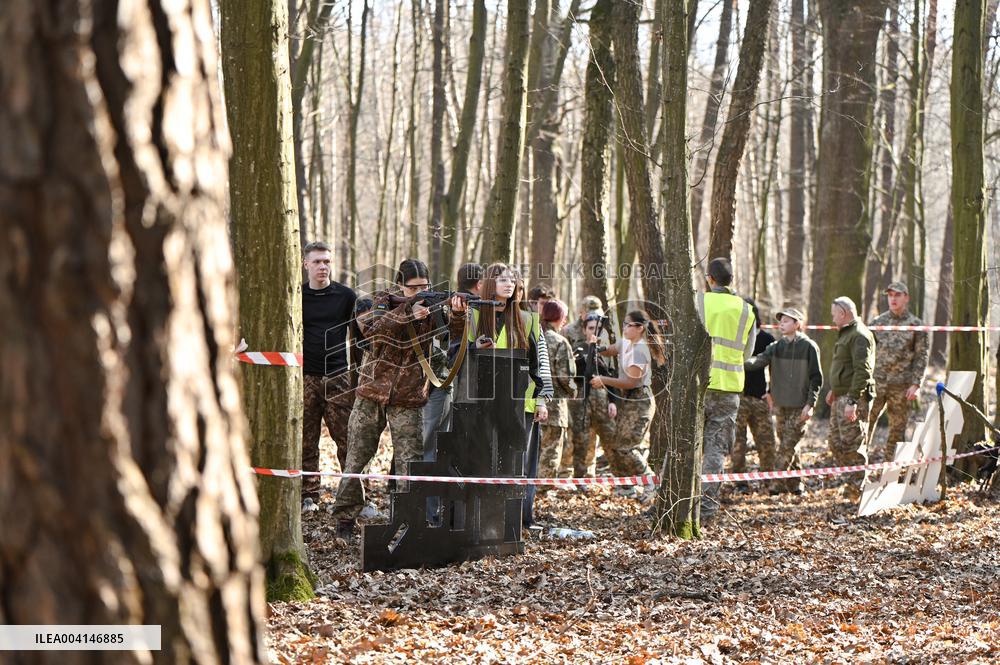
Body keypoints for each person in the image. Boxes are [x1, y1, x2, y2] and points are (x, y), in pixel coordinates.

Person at [333, 259, 437, 540]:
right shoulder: (381, 301)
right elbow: (372, 331)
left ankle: (408, 522)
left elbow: (452, 334)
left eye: (424, 286)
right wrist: (407, 313)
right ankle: (344, 519)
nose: (420, 292)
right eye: (413, 287)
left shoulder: (431, 308)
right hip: (371, 392)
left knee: (409, 462)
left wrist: (458, 315)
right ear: (399, 286)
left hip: (409, 396)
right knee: (357, 457)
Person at [449, 263, 552, 527]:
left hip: (520, 403)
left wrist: (541, 399)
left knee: (517, 462)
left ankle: (516, 521)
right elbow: (453, 356)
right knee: (482, 459)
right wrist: (475, 347)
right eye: (502, 278)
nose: (509, 283)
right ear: (488, 282)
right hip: (480, 402)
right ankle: (482, 520)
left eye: (513, 279)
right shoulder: (473, 316)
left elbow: (539, 364)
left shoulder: (528, 320)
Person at [696, 257, 756, 521]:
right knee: (716, 450)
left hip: (698, 386)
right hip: (729, 387)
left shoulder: (699, 301)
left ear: (710, 279)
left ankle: (676, 502)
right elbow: (748, 352)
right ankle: (707, 508)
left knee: (686, 444)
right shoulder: (746, 310)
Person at [300, 241, 357, 505]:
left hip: (339, 376)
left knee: (347, 439)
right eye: (317, 261)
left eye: (327, 261)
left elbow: (359, 336)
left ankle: (351, 498)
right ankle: (309, 495)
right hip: (306, 377)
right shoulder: (297, 295)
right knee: (306, 439)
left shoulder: (346, 296)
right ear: (306, 264)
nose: (323, 266)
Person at [589, 310, 666, 500]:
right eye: (623, 324)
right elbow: (611, 349)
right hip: (629, 400)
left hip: (640, 400)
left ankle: (649, 480)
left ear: (640, 328)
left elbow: (631, 381)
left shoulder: (640, 350)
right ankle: (626, 486)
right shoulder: (626, 344)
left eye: (628, 325)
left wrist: (603, 380)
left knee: (626, 447)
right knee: (615, 445)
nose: (624, 328)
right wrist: (596, 345)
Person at [745, 307, 823, 493]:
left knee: (787, 446)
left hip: (800, 406)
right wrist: (735, 363)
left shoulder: (809, 347)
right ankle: (796, 485)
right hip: (780, 406)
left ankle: (776, 484)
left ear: (797, 324)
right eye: (781, 321)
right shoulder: (776, 347)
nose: (781, 324)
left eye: (787, 321)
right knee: (789, 446)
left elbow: (816, 378)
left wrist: (810, 404)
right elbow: (758, 361)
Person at [867, 281, 930, 461]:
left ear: (906, 298)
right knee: (865, 425)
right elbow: (866, 354)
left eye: (897, 295)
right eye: (890, 295)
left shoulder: (916, 325)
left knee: (897, 430)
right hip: (876, 383)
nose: (893, 299)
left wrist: (916, 383)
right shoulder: (877, 323)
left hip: (901, 386)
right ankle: (858, 470)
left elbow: (921, 356)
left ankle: (891, 471)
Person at [826, 296, 876, 498]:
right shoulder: (846, 333)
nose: (832, 319)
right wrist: (835, 389)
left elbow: (863, 371)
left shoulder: (859, 335)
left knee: (853, 444)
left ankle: (859, 489)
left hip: (854, 398)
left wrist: (853, 401)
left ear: (844, 313)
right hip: (841, 395)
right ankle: (852, 483)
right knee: (836, 443)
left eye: (834, 314)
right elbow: (844, 366)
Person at [567, 312, 618, 480]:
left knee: (610, 439)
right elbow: (575, 372)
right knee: (582, 439)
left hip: (602, 399)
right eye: (590, 328)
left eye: (597, 329)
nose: (594, 331)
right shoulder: (578, 348)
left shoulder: (607, 351)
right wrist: (589, 352)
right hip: (582, 398)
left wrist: (613, 401)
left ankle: (621, 477)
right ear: (584, 330)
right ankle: (581, 477)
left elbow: (612, 377)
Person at [731, 298, 777, 476]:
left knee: (766, 442)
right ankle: (739, 479)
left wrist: (772, 393)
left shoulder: (767, 339)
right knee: (737, 443)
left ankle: (769, 477)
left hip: (760, 398)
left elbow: (775, 370)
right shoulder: (734, 337)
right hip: (737, 397)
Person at [537, 300, 577, 484]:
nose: (566, 320)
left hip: (533, 401)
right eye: (564, 316)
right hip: (555, 403)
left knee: (535, 449)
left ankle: (531, 489)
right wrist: (574, 389)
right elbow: (565, 376)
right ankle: (543, 490)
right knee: (551, 449)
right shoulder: (560, 341)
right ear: (559, 317)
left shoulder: (535, 336)